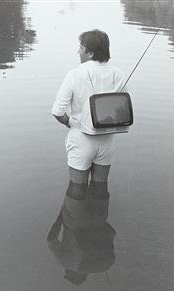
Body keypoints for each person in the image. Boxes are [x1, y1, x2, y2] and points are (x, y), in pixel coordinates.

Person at [52, 29, 128, 199]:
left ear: (90, 52)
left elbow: (57, 111)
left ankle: (75, 224)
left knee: (76, 190)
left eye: (81, 48)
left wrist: (69, 123)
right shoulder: (119, 74)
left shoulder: (75, 74)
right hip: (107, 140)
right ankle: (98, 221)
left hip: (81, 138)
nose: (78, 51)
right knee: (101, 188)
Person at [47, 180, 116, 285]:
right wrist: (61, 216)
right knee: (77, 181)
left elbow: (111, 233)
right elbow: (51, 239)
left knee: (99, 180)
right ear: (70, 273)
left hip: (99, 216)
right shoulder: (65, 263)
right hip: (75, 218)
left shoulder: (101, 262)